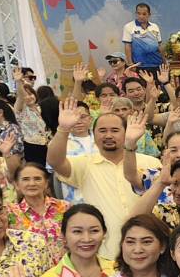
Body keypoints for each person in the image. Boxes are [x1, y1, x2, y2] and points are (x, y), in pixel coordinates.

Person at [49, 100, 159, 258]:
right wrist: (63, 129)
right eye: (102, 131)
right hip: (106, 254)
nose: (108, 135)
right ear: (94, 136)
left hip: (148, 251)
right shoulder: (84, 164)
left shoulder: (151, 163)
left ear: (126, 132)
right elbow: (55, 162)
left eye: (115, 130)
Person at [7, 160, 65, 259]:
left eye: (37, 179)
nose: (32, 183)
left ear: (46, 183)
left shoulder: (64, 207)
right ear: (17, 185)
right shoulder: (10, 212)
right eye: (25, 179)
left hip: (64, 265)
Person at [122, 3, 163, 74]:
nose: (141, 16)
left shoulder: (155, 26)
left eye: (144, 14)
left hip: (157, 63)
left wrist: (164, 61)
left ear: (149, 15)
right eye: (138, 13)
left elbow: (159, 46)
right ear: (136, 13)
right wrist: (130, 63)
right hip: (139, 65)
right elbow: (127, 46)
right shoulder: (129, 26)